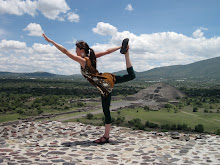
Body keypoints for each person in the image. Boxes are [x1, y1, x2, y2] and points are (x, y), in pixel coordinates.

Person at [42, 34, 135, 144]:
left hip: (103, 85)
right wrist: (120, 47)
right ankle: (126, 54)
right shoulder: (92, 57)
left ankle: (106, 136)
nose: (75, 51)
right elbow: (107, 51)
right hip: (106, 78)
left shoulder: (83, 61)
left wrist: (51, 41)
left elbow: (65, 51)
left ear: (82, 50)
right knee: (131, 76)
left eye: (76, 49)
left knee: (106, 111)